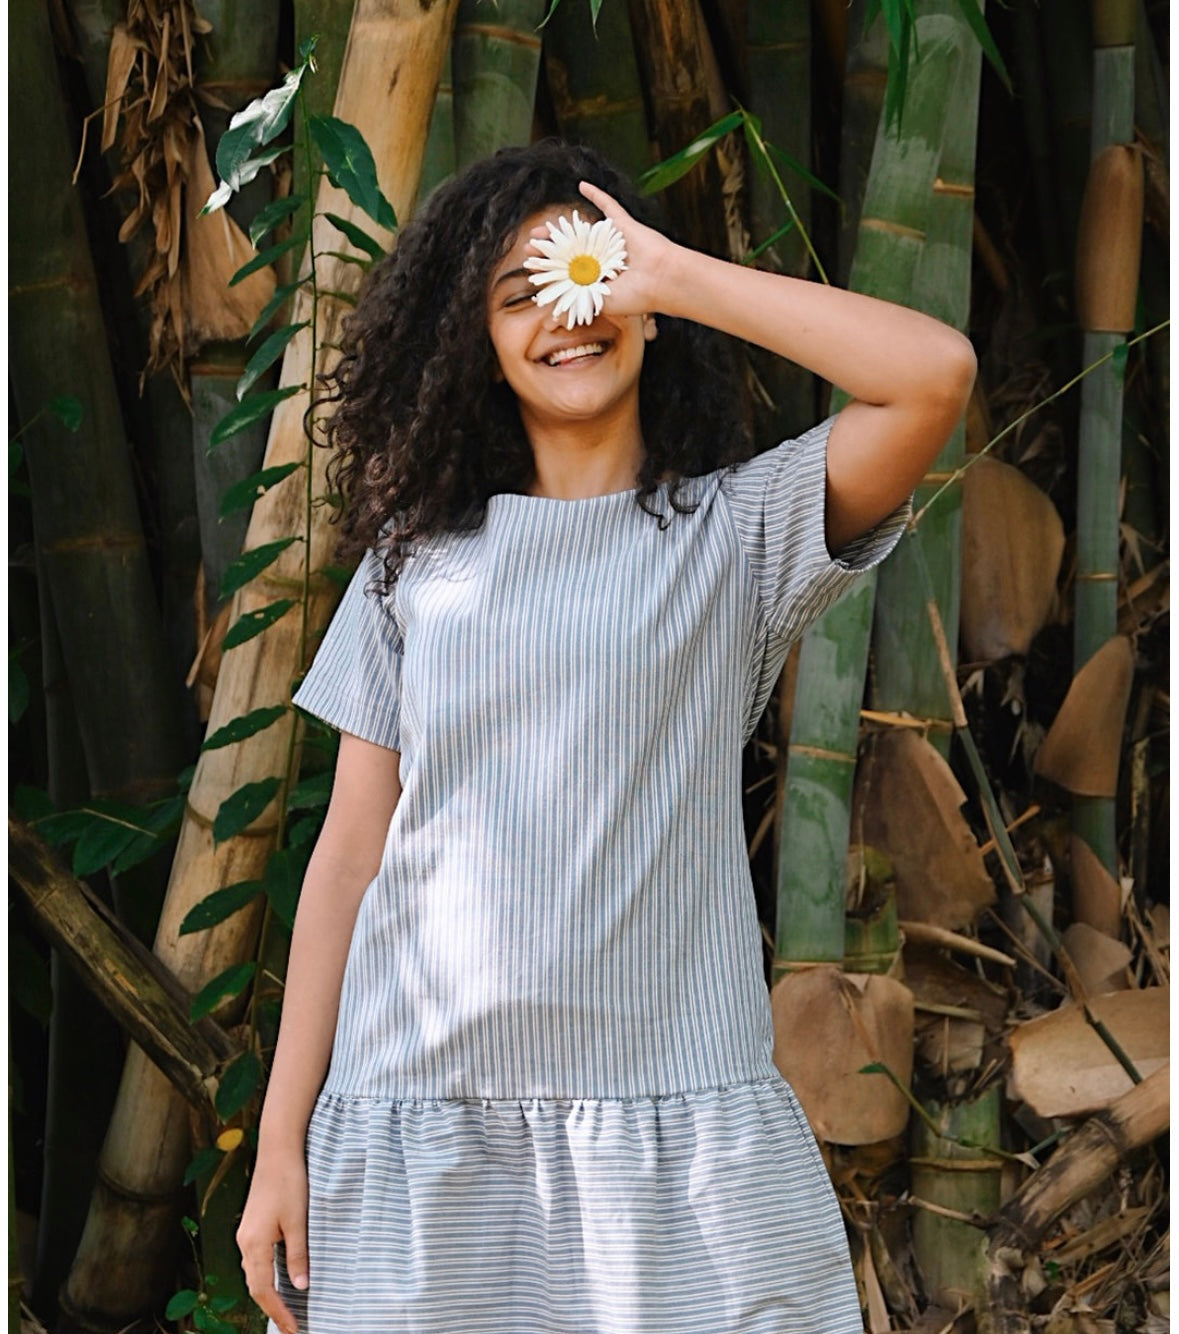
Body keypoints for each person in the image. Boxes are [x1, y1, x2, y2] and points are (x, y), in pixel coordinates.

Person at [236, 139, 975, 1334]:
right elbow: (348, 857)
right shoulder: (413, 566)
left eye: (587, 274)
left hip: (673, 1130)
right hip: (427, 1114)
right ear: (472, 341)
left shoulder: (739, 535)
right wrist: (281, 1143)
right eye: (514, 296)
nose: (563, 315)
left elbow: (934, 374)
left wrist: (675, 273)